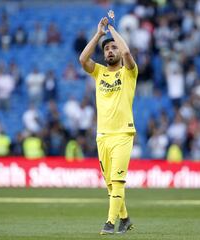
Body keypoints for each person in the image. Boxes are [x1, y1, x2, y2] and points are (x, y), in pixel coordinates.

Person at [79, 10, 137, 235]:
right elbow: (83, 59)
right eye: (107, 48)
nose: (110, 51)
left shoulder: (129, 73)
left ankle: (110, 223)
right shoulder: (99, 72)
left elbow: (127, 51)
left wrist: (112, 29)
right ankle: (125, 219)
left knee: (118, 181)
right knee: (111, 185)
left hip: (123, 134)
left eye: (113, 48)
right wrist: (98, 35)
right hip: (102, 135)